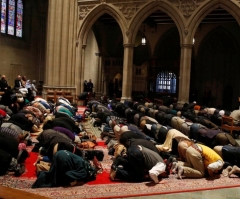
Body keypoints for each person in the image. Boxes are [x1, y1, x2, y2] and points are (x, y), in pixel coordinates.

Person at [32, 150, 97, 188]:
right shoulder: (83, 172)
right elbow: (68, 174)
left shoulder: (83, 161)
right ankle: (42, 175)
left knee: (53, 170)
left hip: (60, 152)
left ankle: (41, 169)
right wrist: (74, 181)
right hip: (63, 158)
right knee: (57, 177)